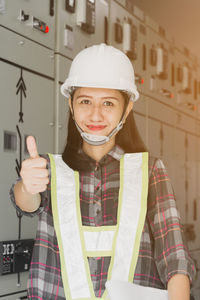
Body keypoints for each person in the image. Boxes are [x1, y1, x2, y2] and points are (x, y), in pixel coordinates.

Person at [10, 43, 196, 300]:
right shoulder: (49, 169)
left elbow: (174, 256)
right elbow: (26, 202)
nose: (95, 114)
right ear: (72, 105)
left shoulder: (150, 170)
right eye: (85, 101)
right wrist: (27, 186)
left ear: (127, 108)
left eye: (108, 103)